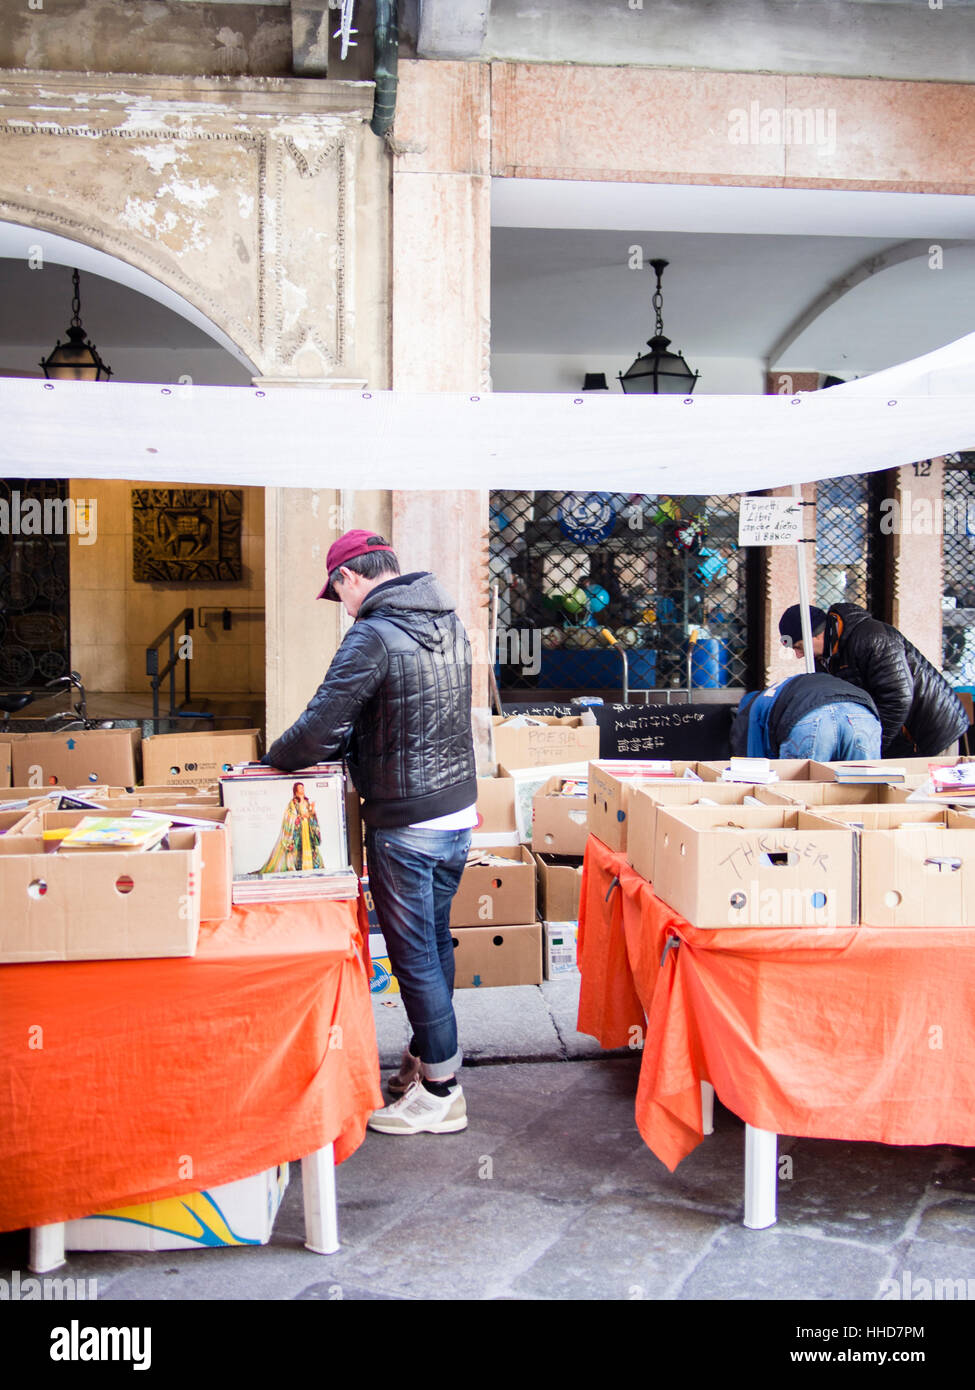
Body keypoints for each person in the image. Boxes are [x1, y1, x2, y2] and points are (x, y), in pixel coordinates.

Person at [262, 529, 477, 1137]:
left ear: (349, 577)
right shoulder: (452, 624)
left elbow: (317, 729)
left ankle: (441, 1092)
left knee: (416, 958)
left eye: (339, 594)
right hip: (456, 815)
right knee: (435, 945)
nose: (343, 607)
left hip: (406, 822)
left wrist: (270, 763)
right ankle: (424, 1059)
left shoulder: (373, 635)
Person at [778, 602, 969, 757]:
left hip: (930, 732)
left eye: (800, 647)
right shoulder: (824, 656)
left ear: (818, 634)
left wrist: (872, 743)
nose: (798, 655)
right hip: (896, 735)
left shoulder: (873, 638)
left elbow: (898, 698)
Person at [730, 672, 882, 761]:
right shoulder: (779, 692)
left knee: (800, 799)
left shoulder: (752, 708)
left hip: (811, 717)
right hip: (862, 714)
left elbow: (754, 765)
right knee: (863, 794)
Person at [257, 781, 323, 874]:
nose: (302, 790)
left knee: (310, 847)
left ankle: (309, 866)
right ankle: (297, 867)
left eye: (303, 788)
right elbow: (290, 816)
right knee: (296, 849)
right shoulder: (293, 803)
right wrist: (299, 817)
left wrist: (312, 811)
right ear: (296, 791)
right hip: (298, 829)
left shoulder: (307, 802)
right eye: (300, 788)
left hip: (307, 829)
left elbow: (311, 814)